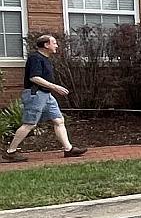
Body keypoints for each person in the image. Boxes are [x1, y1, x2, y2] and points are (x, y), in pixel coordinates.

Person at [1, 34, 87, 162]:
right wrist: (55, 87)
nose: (56, 45)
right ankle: (10, 152)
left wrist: (51, 89)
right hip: (35, 94)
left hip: (46, 95)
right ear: (46, 45)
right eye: (54, 43)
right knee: (29, 124)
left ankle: (68, 149)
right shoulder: (35, 58)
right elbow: (34, 77)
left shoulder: (45, 59)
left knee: (58, 120)